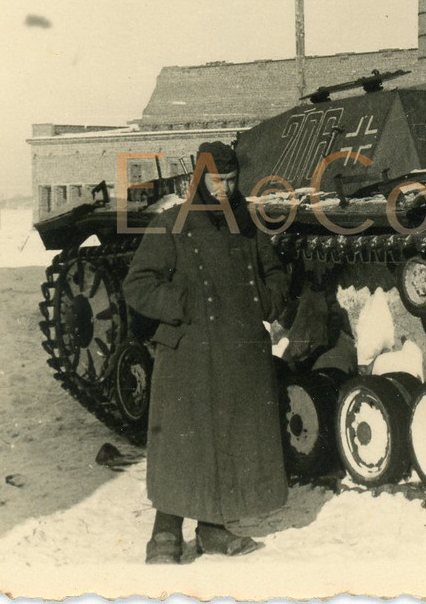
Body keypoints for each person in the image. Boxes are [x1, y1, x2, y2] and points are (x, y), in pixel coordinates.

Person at [123, 140, 290, 564]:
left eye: (231, 180)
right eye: (216, 180)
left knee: (228, 439)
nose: (225, 188)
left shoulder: (247, 225)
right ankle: (165, 533)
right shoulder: (171, 224)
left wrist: (266, 302)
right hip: (189, 354)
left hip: (237, 352)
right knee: (183, 443)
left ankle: (214, 529)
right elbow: (137, 284)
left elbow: (273, 271)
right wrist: (181, 304)